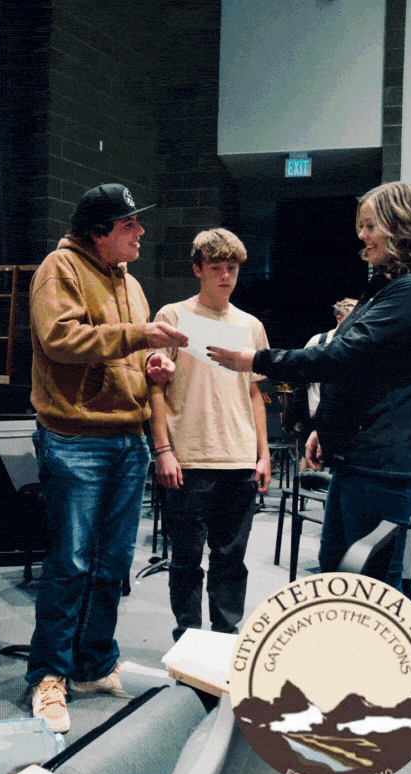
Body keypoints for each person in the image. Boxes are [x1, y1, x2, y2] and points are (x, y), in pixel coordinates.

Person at [208, 182, 411, 590]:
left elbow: (342, 356)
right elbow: (363, 370)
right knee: (337, 573)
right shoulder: (390, 288)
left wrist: (256, 359)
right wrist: (326, 427)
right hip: (361, 458)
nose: (362, 236)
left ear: (401, 225)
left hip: (381, 465)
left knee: (367, 588)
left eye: (370, 226)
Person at [25, 183, 187, 733]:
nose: (140, 231)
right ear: (99, 232)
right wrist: (140, 337)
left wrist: (152, 367)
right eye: (129, 224)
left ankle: (94, 664)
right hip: (75, 438)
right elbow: (61, 339)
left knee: (113, 564)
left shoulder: (130, 283)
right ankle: (49, 674)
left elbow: (125, 352)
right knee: (70, 564)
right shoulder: (59, 268)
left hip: (127, 437)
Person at [149, 228, 270, 640]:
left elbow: (253, 393)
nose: (225, 276)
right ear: (197, 269)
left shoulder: (250, 325)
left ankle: (223, 638)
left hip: (238, 458)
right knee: (185, 559)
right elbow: (154, 387)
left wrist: (263, 454)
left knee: (231, 558)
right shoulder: (173, 316)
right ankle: (187, 639)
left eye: (231, 268)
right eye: (216, 268)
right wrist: (163, 449)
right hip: (189, 458)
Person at [303, 298, 357, 416]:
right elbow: (300, 368)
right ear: (339, 319)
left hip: (349, 411)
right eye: (353, 319)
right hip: (317, 408)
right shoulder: (319, 340)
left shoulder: (357, 342)